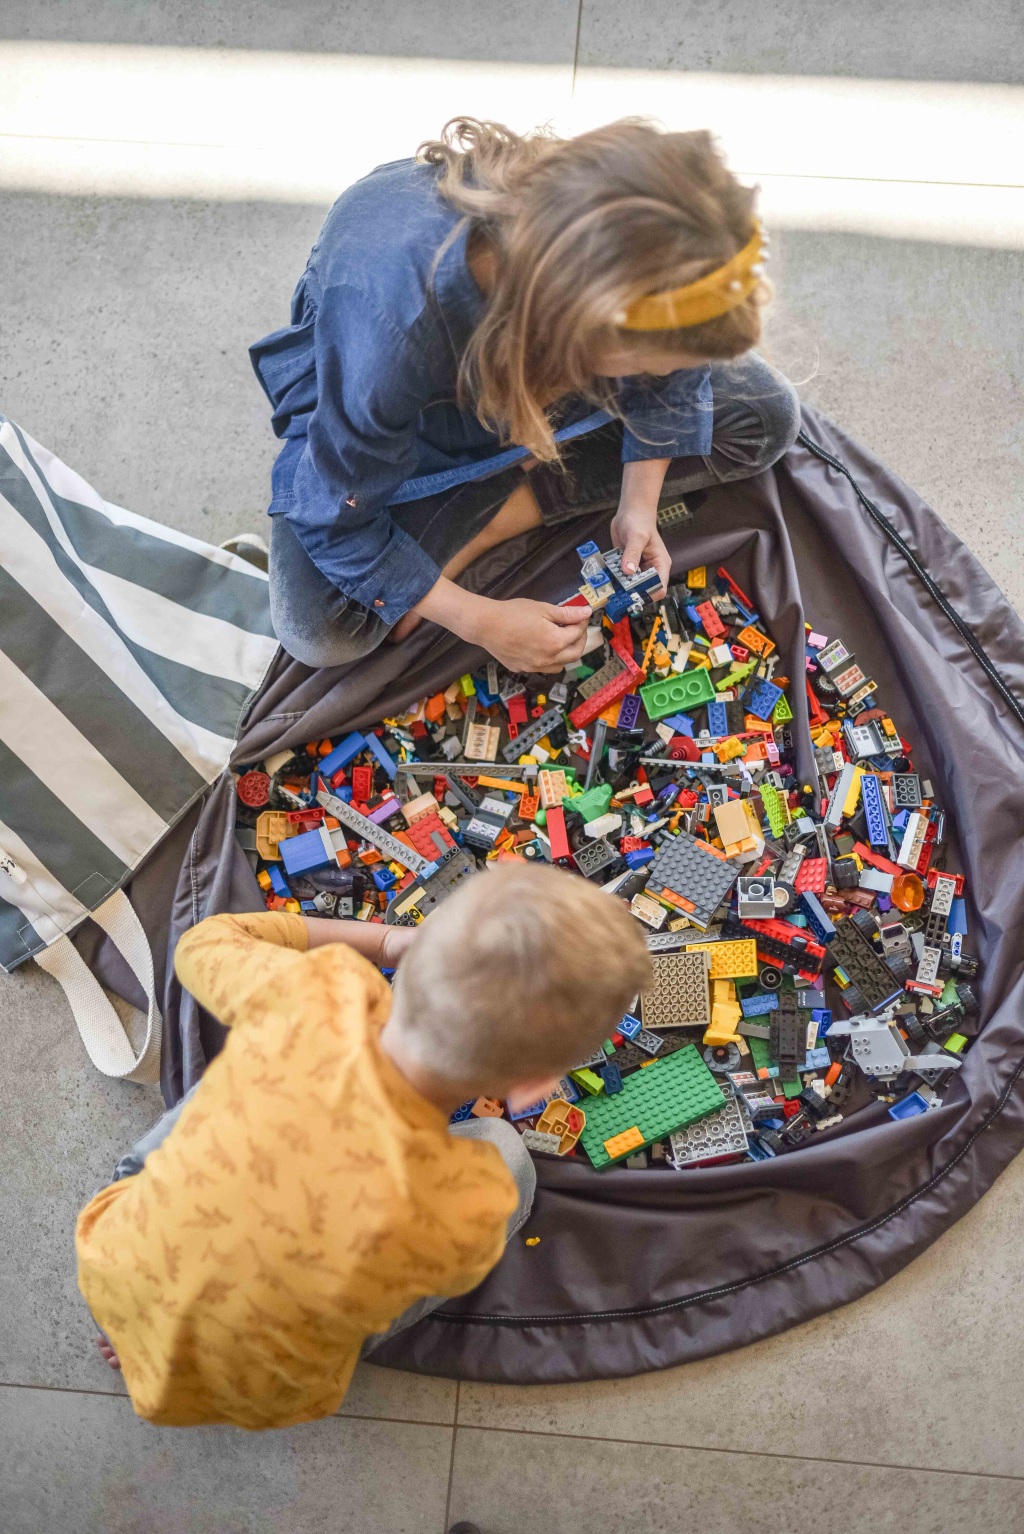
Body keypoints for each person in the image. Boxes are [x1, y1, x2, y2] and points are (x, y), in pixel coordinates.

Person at [77, 864, 652, 1430]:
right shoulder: (471, 1196)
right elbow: (438, 1270)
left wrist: (385, 940)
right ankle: (178, 1349)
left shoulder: (318, 992)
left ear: (421, 955)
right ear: (534, 1086)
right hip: (255, 1382)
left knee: (258, 1060)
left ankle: (136, 1329)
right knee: (509, 1156)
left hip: (117, 1261)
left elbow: (206, 940)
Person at [250, 117, 799, 673]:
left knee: (768, 415)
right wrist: (478, 619)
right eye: (650, 367)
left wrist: (638, 505)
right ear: (573, 338)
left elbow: (675, 381)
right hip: (415, 413)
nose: (671, 377)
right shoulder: (388, 335)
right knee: (322, 632)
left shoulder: (597, 227)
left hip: (515, 352)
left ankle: (491, 520)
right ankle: (474, 517)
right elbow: (330, 517)